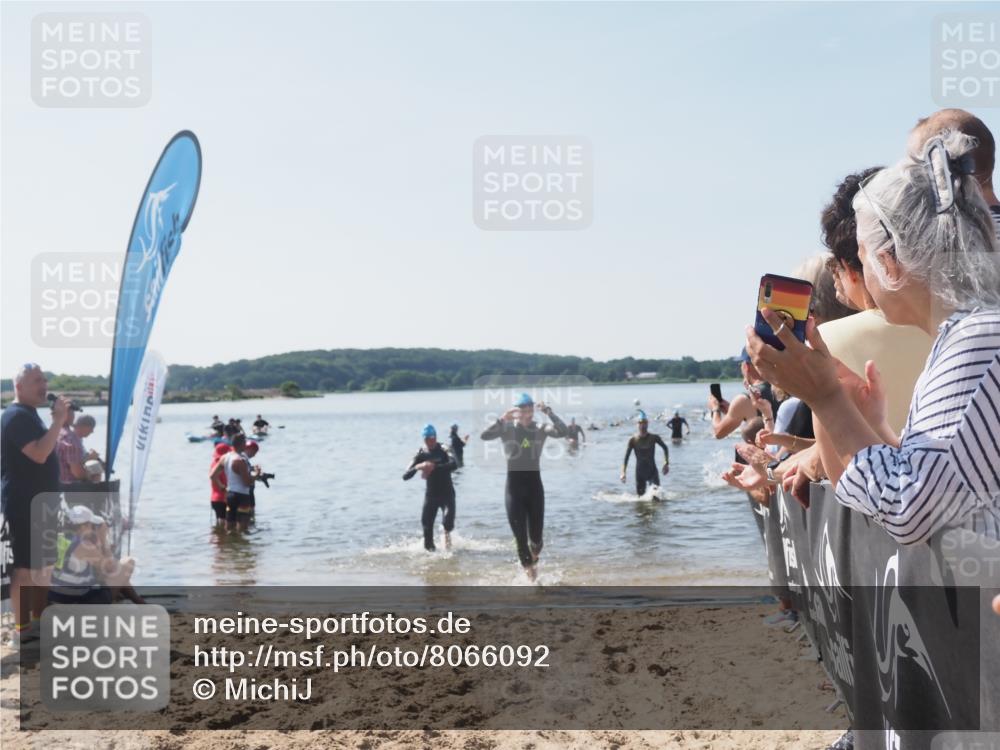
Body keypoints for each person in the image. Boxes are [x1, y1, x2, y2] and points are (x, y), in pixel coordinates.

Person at [748, 130, 1000, 544]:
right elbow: (951, 475)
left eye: (862, 258)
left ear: (889, 262)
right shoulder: (968, 333)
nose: (860, 276)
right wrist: (878, 430)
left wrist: (827, 398)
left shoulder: (977, 340)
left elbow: (913, 510)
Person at [1, 364, 69, 647]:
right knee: (26, 568)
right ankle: (22, 630)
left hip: (43, 504)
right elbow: (39, 454)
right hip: (23, 503)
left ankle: (39, 624)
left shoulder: (31, 415)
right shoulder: (16, 416)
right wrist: (58, 421)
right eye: (36, 380)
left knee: (45, 565)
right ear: (19, 386)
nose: (44, 385)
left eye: (44, 379)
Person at [480, 393, 568, 580]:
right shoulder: (506, 428)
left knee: (535, 541)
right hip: (513, 490)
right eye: (522, 409)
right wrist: (502, 419)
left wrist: (549, 412)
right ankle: (531, 579)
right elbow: (484, 436)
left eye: (529, 408)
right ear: (516, 412)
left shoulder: (540, 428)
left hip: (534, 489)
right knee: (520, 539)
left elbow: (563, 431)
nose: (526, 412)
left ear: (533, 410)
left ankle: (534, 558)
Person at [48, 506, 135, 605]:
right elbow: (111, 568)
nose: (93, 529)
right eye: (92, 526)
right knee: (128, 563)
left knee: (110, 578)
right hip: (76, 602)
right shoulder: (84, 545)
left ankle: (140, 602)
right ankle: (140, 603)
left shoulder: (60, 538)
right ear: (83, 527)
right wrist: (103, 539)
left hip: (56, 598)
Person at [403, 424, 457, 551]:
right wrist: (419, 466)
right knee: (427, 532)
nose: (430, 441)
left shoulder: (444, 448)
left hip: (447, 494)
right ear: (424, 439)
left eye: (432, 438)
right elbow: (405, 475)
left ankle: (447, 541)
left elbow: (455, 464)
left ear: (436, 437)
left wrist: (433, 467)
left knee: (448, 524)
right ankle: (432, 563)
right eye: (427, 439)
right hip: (431, 496)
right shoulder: (421, 453)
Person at [210, 433, 253, 533]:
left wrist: (222, 487)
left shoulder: (225, 457)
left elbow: (212, 476)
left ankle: (230, 546)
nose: (246, 445)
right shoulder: (240, 460)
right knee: (242, 529)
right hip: (242, 496)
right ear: (241, 444)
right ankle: (239, 547)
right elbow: (247, 483)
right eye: (245, 443)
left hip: (230, 495)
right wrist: (256, 475)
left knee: (229, 527)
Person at [620, 411, 670, 496]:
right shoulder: (633, 440)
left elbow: (665, 448)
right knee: (641, 500)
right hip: (640, 473)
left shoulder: (654, 438)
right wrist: (623, 472)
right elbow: (626, 458)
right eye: (640, 423)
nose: (643, 425)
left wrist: (666, 463)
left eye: (645, 423)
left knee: (657, 496)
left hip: (652, 472)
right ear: (637, 425)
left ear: (647, 424)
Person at [57, 413, 100, 486]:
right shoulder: (73, 442)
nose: (92, 431)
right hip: (71, 486)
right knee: (95, 467)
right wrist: (92, 461)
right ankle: (97, 490)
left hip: (63, 482)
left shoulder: (69, 436)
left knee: (96, 465)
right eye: (92, 428)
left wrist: (88, 458)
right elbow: (77, 473)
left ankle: (97, 489)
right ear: (85, 427)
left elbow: (75, 461)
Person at [208, 442, 231, 526]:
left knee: (220, 523)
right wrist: (223, 487)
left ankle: (218, 537)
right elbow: (213, 477)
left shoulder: (214, 463)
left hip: (214, 499)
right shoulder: (221, 465)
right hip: (222, 498)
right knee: (225, 523)